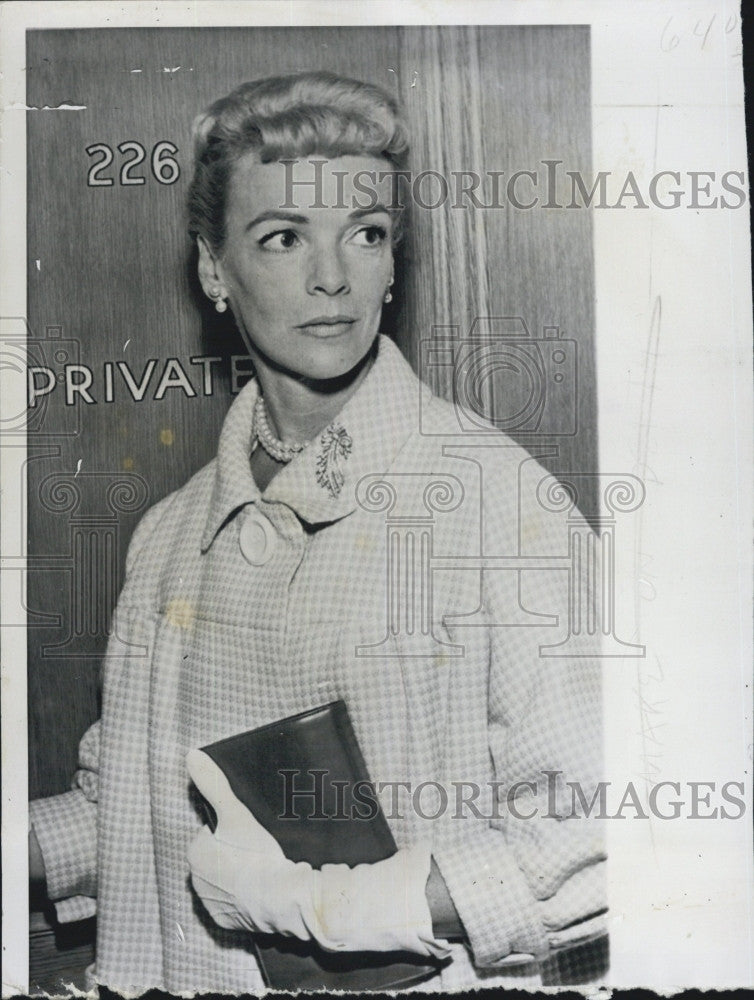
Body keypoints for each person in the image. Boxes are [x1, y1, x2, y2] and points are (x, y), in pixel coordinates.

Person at [29, 71, 606, 994]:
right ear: (214, 269)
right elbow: (132, 808)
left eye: (365, 235)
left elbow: (592, 837)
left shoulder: (500, 502)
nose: (332, 276)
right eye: (284, 238)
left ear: (393, 260)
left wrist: (318, 908)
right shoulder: (170, 536)